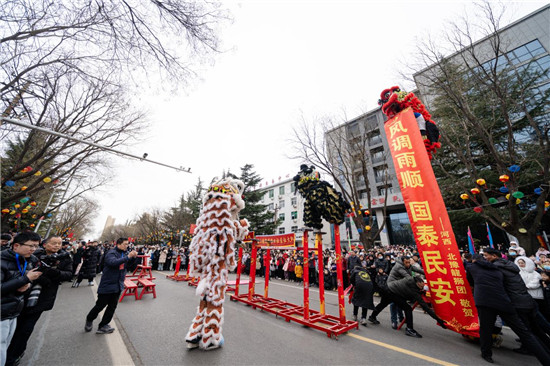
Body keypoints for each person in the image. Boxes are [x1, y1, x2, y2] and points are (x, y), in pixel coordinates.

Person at [468, 252, 550, 365]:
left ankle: (486, 354)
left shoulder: (476, 267)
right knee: (527, 333)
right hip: (509, 303)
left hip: (490, 303)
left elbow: (471, 283)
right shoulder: (505, 269)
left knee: (486, 330)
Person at [5, 236, 72, 366]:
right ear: (45, 244)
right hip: (22, 295)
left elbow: (68, 274)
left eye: (59, 243)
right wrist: (38, 278)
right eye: (53, 243)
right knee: (14, 326)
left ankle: (14, 355)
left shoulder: (65, 258)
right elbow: (23, 272)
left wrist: (52, 273)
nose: (57, 245)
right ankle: (7, 350)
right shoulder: (34, 255)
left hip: (43, 297)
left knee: (26, 329)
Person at [1, 232, 42, 366]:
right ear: (16, 245)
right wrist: (25, 279)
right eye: (31, 246)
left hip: (13, 311)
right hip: (2, 312)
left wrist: (27, 284)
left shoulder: (27, 261)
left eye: (36, 246)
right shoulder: (2, 261)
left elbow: (22, 284)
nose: (33, 249)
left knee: (5, 346)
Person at [84, 238, 137, 334]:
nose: (126, 246)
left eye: (127, 244)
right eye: (125, 244)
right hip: (108, 284)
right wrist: (128, 257)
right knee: (100, 305)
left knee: (112, 307)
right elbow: (112, 263)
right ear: (118, 244)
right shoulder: (111, 253)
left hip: (118, 284)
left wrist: (133, 258)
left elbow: (129, 266)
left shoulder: (125, 253)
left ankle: (103, 325)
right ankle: (89, 319)